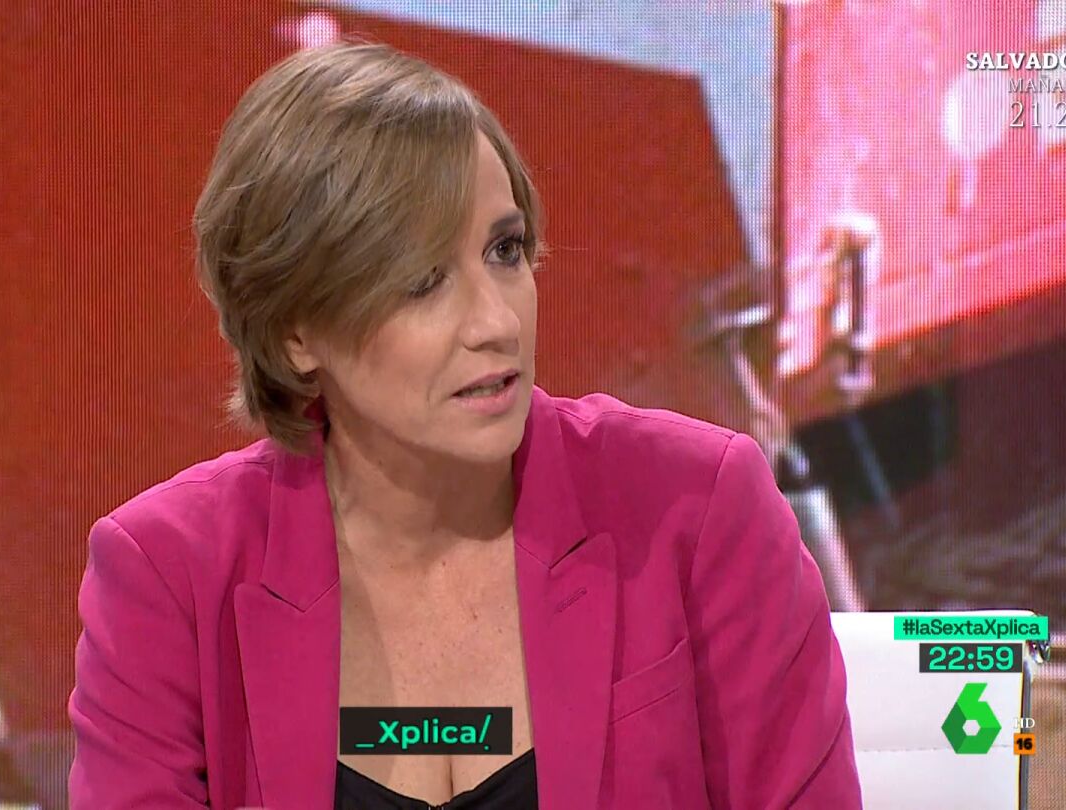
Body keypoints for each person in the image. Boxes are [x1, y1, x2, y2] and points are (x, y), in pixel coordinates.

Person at [67, 37, 862, 810]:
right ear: (294, 333)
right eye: (422, 282)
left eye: (505, 251)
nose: (496, 322)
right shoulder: (168, 575)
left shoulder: (698, 507)